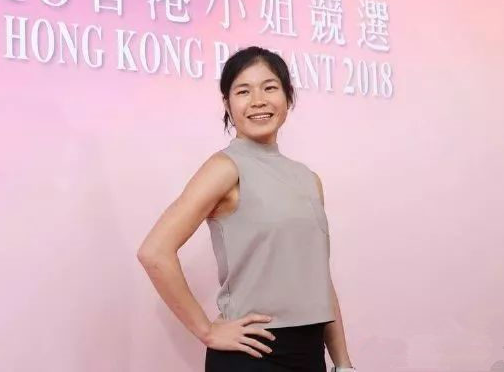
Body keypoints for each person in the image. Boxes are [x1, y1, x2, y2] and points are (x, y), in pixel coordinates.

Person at [136, 46, 355, 371]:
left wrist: (343, 363)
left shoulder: (309, 180)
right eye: (243, 91)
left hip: (310, 354)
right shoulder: (225, 168)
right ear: (227, 104)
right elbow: (154, 252)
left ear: (288, 97)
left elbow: (319, 279)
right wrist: (207, 331)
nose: (258, 101)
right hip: (251, 355)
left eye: (269, 87)